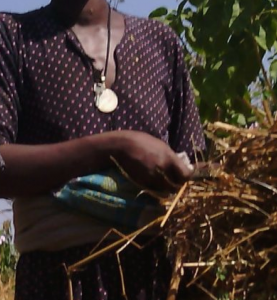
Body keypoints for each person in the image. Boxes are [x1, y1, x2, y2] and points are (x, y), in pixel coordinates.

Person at [0, 0, 205, 299]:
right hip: (57, 281)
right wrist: (114, 148)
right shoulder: (13, 37)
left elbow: (196, 181)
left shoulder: (161, 44)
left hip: (155, 281)